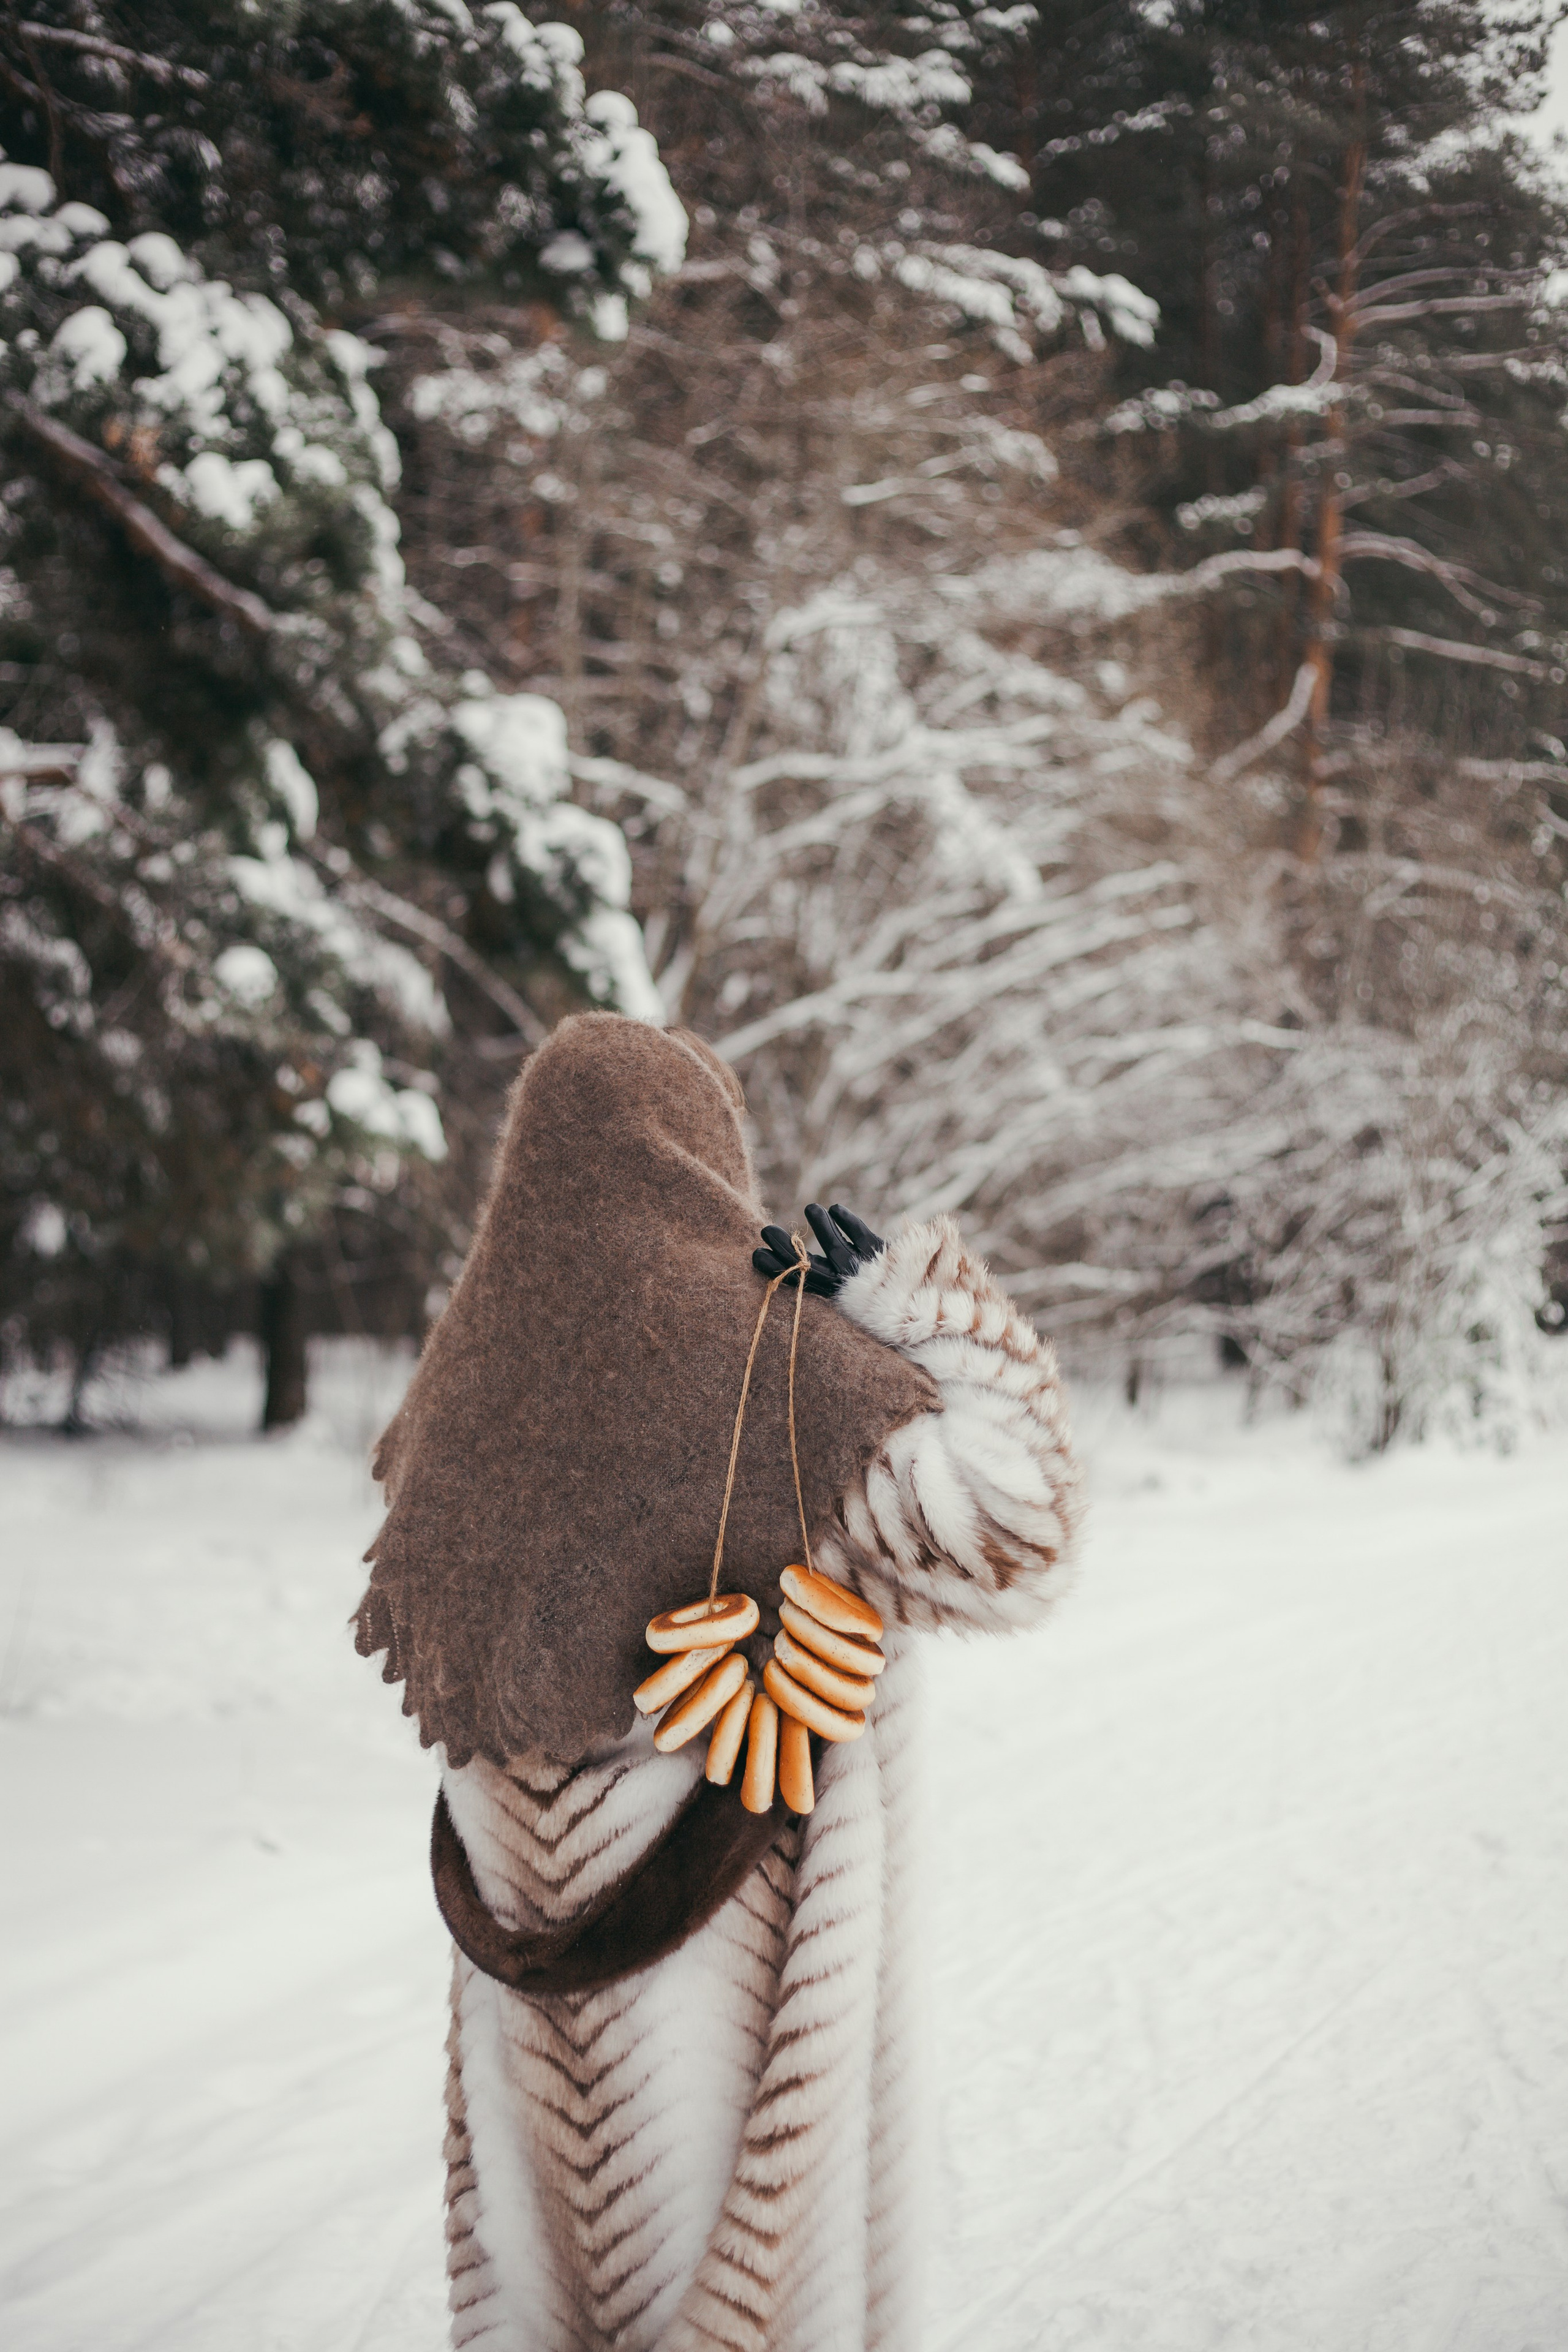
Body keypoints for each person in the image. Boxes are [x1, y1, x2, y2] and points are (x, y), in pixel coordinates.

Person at [354, 1014, 1082, 2352]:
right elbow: (1015, 1534)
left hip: (526, 1982)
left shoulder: (449, 1403)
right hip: (732, 1974)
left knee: (548, 2286)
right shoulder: (790, 1365)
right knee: (742, 2283)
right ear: (696, 1151)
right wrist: (923, 1315)